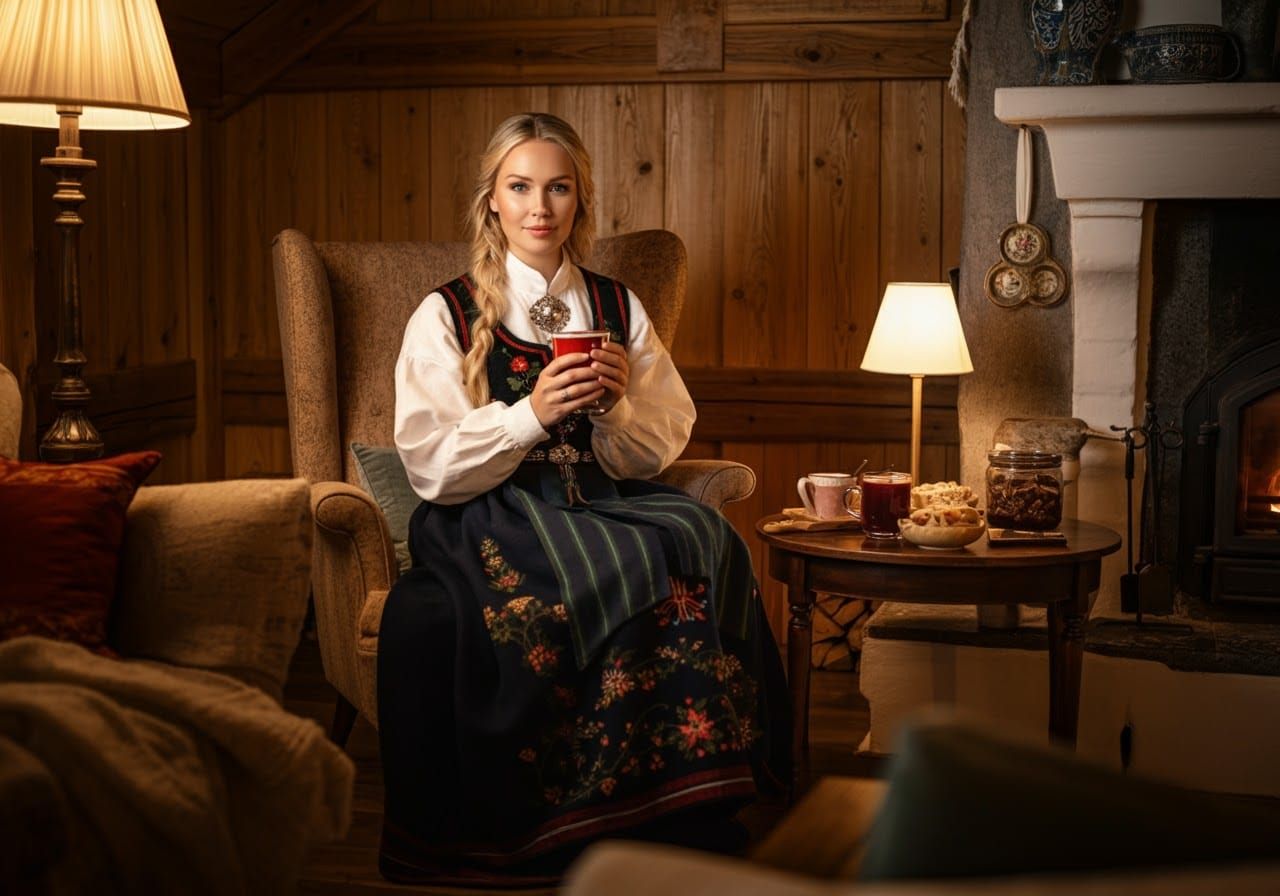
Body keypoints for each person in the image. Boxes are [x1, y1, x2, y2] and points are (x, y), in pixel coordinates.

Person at [377, 111, 789, 885]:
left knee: (706, 537)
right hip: (490, 508)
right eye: (521, 187)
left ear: (579, 200)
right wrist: (531, 412)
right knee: (630, 558)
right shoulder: (448, 312)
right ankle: (576, 813)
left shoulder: (614, 305)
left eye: (558, 188)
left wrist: (612, 410)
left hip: (597, 493)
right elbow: (432, 464)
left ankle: (694, 797)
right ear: (492, 201)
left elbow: (662, 436)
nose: (540, 207)